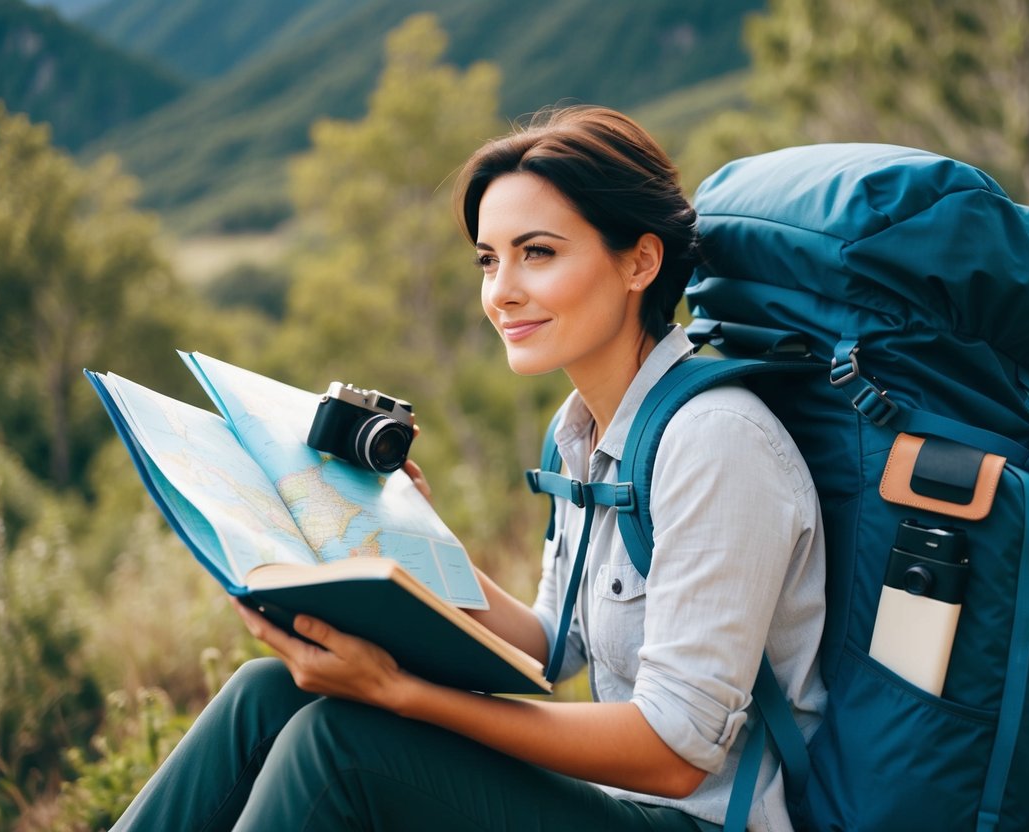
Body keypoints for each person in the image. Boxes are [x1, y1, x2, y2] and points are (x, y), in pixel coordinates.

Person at [111, 106, 827, 832]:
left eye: (537, 253)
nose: (501, 291)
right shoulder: (581, 428)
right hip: (622, 809)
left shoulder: (715, 442)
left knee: (341, 745)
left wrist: (401, 693)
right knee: (269, 693)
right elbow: (552, 646)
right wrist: (413, 542)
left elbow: (675, 754)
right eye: (488, 259)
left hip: (702, 820)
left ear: (639, 262)